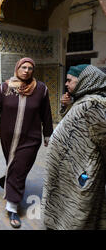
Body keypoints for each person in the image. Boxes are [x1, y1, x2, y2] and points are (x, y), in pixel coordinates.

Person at [0, 57, 53, 228]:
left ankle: (12, 207)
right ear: (17, 68)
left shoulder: (41, 89)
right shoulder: (5, 87)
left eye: (30, 68)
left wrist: (47, 134)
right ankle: (7, 180)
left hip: (31, 138)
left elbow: (46, 113)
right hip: (8, 138)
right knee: (14, 166)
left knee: (20, 168)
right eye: (24, 67)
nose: (27, 70)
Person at [42, 64, 106, 230]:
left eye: (70, 80)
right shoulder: (84, 101)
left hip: (80, 175)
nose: (66, 83)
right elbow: (75, 125)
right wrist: (68, 106)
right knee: (64, 210)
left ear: (85, 81)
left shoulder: (95, 105)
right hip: (69, 172)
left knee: (76, 215)